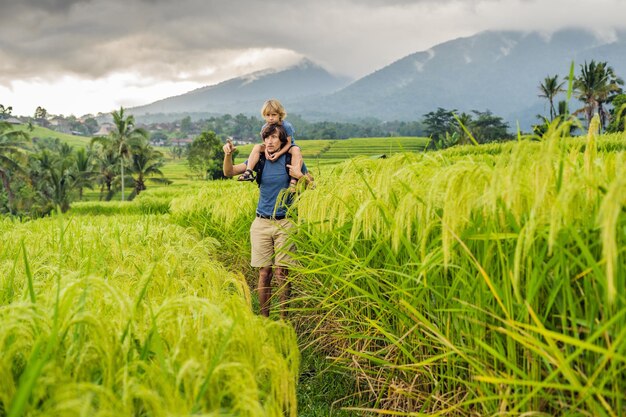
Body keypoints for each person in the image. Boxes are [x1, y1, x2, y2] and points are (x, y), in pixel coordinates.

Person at [223, 123, 313, 318]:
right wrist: (228, 154)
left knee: (282, 274)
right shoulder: (260, 159)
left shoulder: (291, 158)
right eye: (266, 137)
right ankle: (264, 320)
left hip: (286, 222)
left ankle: (283, 320)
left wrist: (300, 177)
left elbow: (312, 185)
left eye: (273, 137)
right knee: (264, 273)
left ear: (282, 140)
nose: (269, 141)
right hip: (261, 222)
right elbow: (229, 172)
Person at [237, 99, 303, 191]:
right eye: (268, 115)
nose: (271, 118)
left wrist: (279, 154)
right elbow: (265, 143)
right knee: (257, 146)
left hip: (287, 147)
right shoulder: (264, 127)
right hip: (273, 147)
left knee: (296, 149)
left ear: (280, 114)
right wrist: (266, 152)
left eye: (274, 115)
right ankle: (248, 172)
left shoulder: (286, 126)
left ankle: (293, 181)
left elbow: (288, 143)